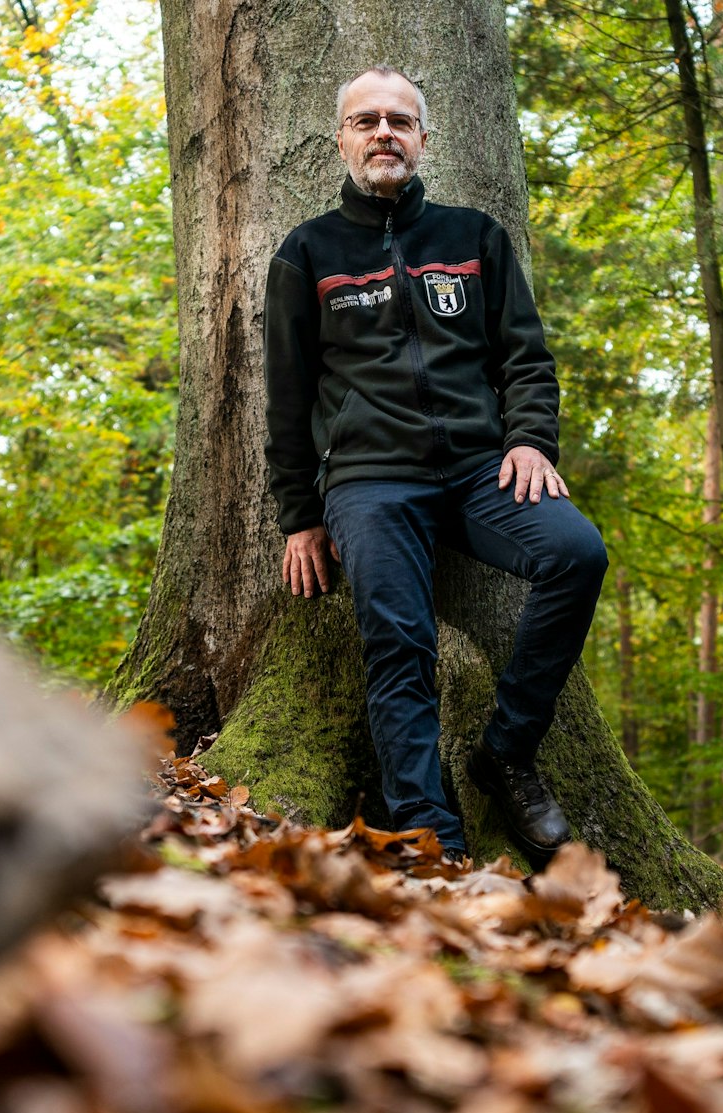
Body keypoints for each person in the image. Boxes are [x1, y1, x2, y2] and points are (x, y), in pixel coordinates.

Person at [262, 66, 609, 866]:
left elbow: (527, 358)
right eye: (366, 121)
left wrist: (530, 440)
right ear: (341, 140)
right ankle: (433, 842)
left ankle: (506, 753)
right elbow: (286, 395)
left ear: (424, 139)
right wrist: (299, 516)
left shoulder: (475, 237)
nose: (383, 133)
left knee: (576, 554)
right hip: (370, 481)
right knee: (400, 639)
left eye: (399, 121)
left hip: (482, 470)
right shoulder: (307, 252)